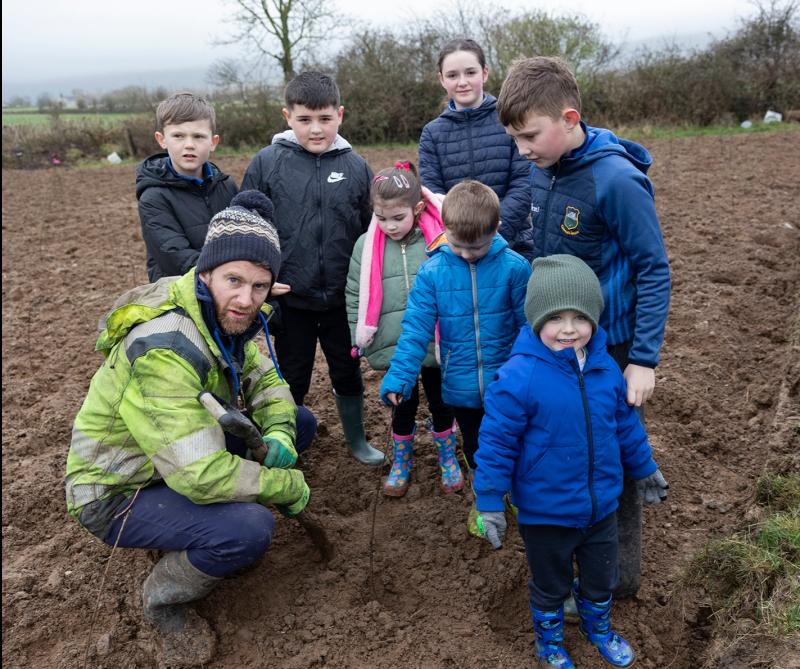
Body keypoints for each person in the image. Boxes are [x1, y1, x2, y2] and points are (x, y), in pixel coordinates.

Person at [65, 191, 316, 669]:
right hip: (120, 488)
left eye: (260, 286)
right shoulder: (163, 346)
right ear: (206, 273)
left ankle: (190, 524)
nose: (246, 298)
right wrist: (279, 484)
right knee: (249, 528)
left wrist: (280, 432)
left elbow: (264, 378)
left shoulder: (230, 315)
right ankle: (164, 600)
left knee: (300, 422)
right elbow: (198, 473)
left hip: (176, 448)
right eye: (234, 281)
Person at [497, 56, 672, 598]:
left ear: (569, 119)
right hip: (557, 340)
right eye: (515, 138)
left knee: (609, 452)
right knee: (561, 441)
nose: (522, 149)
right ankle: (571, 550)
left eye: (529, 136)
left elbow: (654, 269)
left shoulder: (616, 181)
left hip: (611, 346)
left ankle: (616, 582)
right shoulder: (541, 169)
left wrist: (642, 359)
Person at [474, 255, 669, 669]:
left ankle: (598, 628)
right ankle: (549, 642)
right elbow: (495, 443)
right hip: (545, 513)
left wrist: (645, 466)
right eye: (556, 318)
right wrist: (489, 500)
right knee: (550, 584)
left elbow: (624, 427)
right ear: (535, 320)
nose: (568, 328)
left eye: (579, 317)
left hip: (600, 508)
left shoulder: (605, 370)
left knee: (602, 579)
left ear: (594, 319)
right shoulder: (519, 376)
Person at [241, 71, 384, 466]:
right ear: (288, 116)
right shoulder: (267, 163)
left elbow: (372, 230)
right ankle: (286, 440)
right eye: (304, 120)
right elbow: (248, 227)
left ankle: (357, 441)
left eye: (324, 118)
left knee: (347, 371)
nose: (315, 129)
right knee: (291, 375)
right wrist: (262, 282)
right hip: (291, 298)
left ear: (340, 115)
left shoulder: (356, 166)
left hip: (342, 298)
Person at [379, 180, 531, 528]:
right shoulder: (432, 272)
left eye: (476, 246)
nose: (466, 253)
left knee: (517, 442)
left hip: (507, 383)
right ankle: (487, 502)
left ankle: (522, 496)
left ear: (496, 229)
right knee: (477, 448)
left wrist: (527, 373)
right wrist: (400, 376)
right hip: (461, 386)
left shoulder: (515, 268)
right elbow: (415, 329)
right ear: (445, 229)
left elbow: (529, 328)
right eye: (459, 245)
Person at [346, 162, 459, 496]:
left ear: (418, 208)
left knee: (442, 401)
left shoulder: (440, 240)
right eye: (381, 218)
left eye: (398, 217)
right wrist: (360, 333)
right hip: (396, 343)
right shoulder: (365, 247)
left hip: (438, 341)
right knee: (402, 403)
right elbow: (355, 293)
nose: (389, 226)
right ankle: (402, 459)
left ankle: (447, 455)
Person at [419, 38, 532, 260]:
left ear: (485, 73)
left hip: (512, 246)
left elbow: (524, 184)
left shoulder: (510, 120)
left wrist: (493, 233)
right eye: (452, 75)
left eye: (470, 72)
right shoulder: (431, 134)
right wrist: (464, 239)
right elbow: (434, 194)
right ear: (441, 79)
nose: (462, 82)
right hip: (458, 250)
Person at [137, 92, 238, 282]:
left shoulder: (226, 185)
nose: (189, 145)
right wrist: (234, 277)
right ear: (162, 139)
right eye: (178, 136)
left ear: (213, 142)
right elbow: (175, 256)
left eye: (198, 136)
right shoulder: (153, 197)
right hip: (180, 294)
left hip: (229, 289)